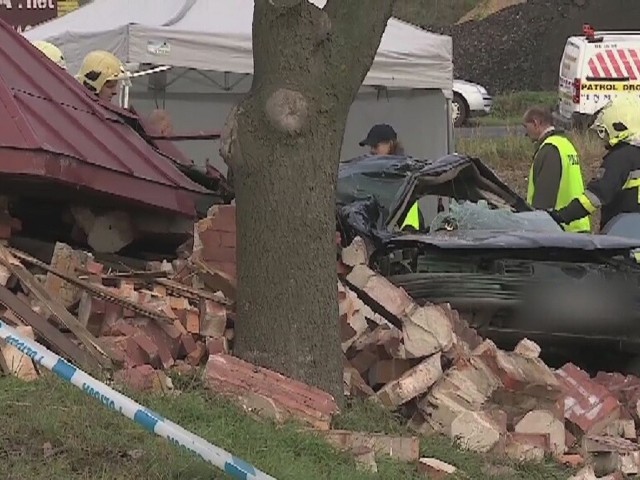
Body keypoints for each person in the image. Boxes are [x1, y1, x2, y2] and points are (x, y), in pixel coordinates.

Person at [550, 96, 640, 231]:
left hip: (623, 239)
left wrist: (560, 216)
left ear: (619, 126)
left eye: (605, 132)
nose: (604, 139)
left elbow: (593, 198)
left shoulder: (621, 158)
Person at [522, 106, 591, 233]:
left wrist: (535, 227)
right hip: (578, 226)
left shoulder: (549, 149)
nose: (526, 133)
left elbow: (544, 196)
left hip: (561, 232)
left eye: (526, 127)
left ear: (536, 123)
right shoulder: (565, 144)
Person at [359, 124, 422, 230]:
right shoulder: (374, 174)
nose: (372, 151)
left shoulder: (402, 175)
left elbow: (410, 220)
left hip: (404, 236)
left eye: (375, 146)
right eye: (370, 147)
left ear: (391, 144)